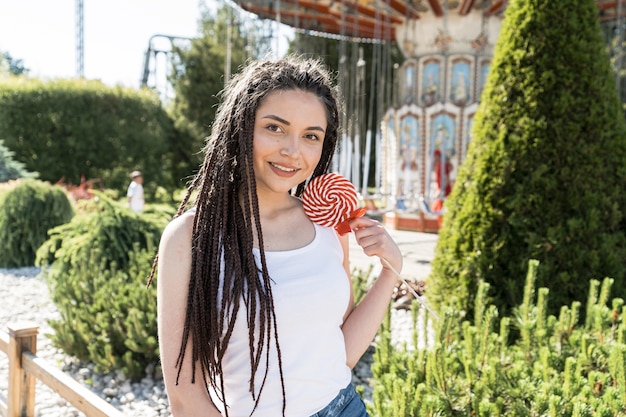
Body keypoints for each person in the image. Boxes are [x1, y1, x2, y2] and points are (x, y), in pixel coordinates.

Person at [151, 56, 403, 417]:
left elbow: (339, 351)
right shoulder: (191, 237)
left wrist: (391, 271)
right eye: (275, 128)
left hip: (345, 407)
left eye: (310, 136)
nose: (292, 151)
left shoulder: (326, 223)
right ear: (241, 127)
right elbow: (185, 397)